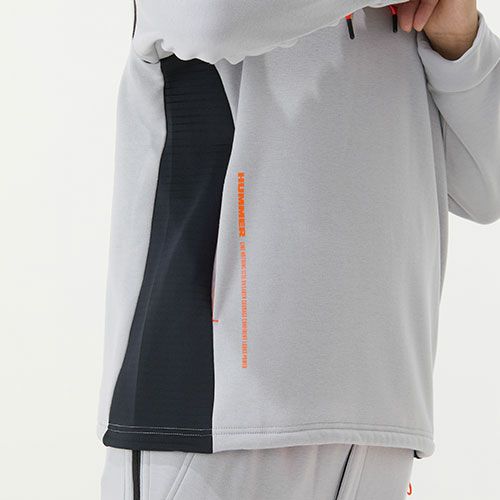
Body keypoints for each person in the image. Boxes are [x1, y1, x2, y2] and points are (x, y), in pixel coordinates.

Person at [98, 0, 500, 498]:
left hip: (381, 416)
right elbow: (212, 18)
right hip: (215, 414)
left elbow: (486, 186)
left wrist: (461, 41)